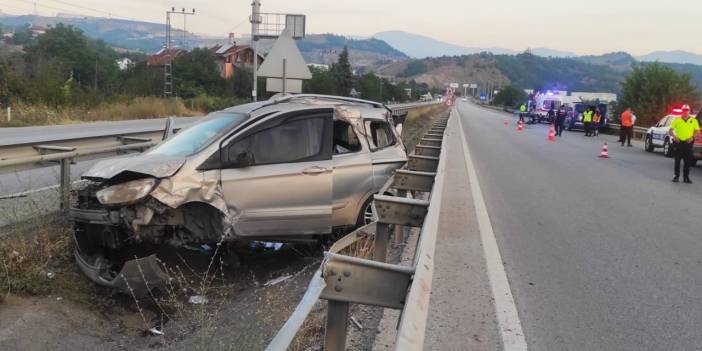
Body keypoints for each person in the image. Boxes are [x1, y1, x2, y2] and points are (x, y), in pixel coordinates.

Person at [668, 105, 699, 183]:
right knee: (677, 161)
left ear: (689, 111)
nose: (685, 112)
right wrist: (674, 136)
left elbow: (697, 131)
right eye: (684, 110)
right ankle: (676, 176)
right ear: (682, 111)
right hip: (678, 142)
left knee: (687, 161)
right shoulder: (677, 120)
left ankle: (686, 177)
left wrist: (692, 137)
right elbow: (670, 130)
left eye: (687, 110)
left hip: (688, 143)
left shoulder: (693, 121)